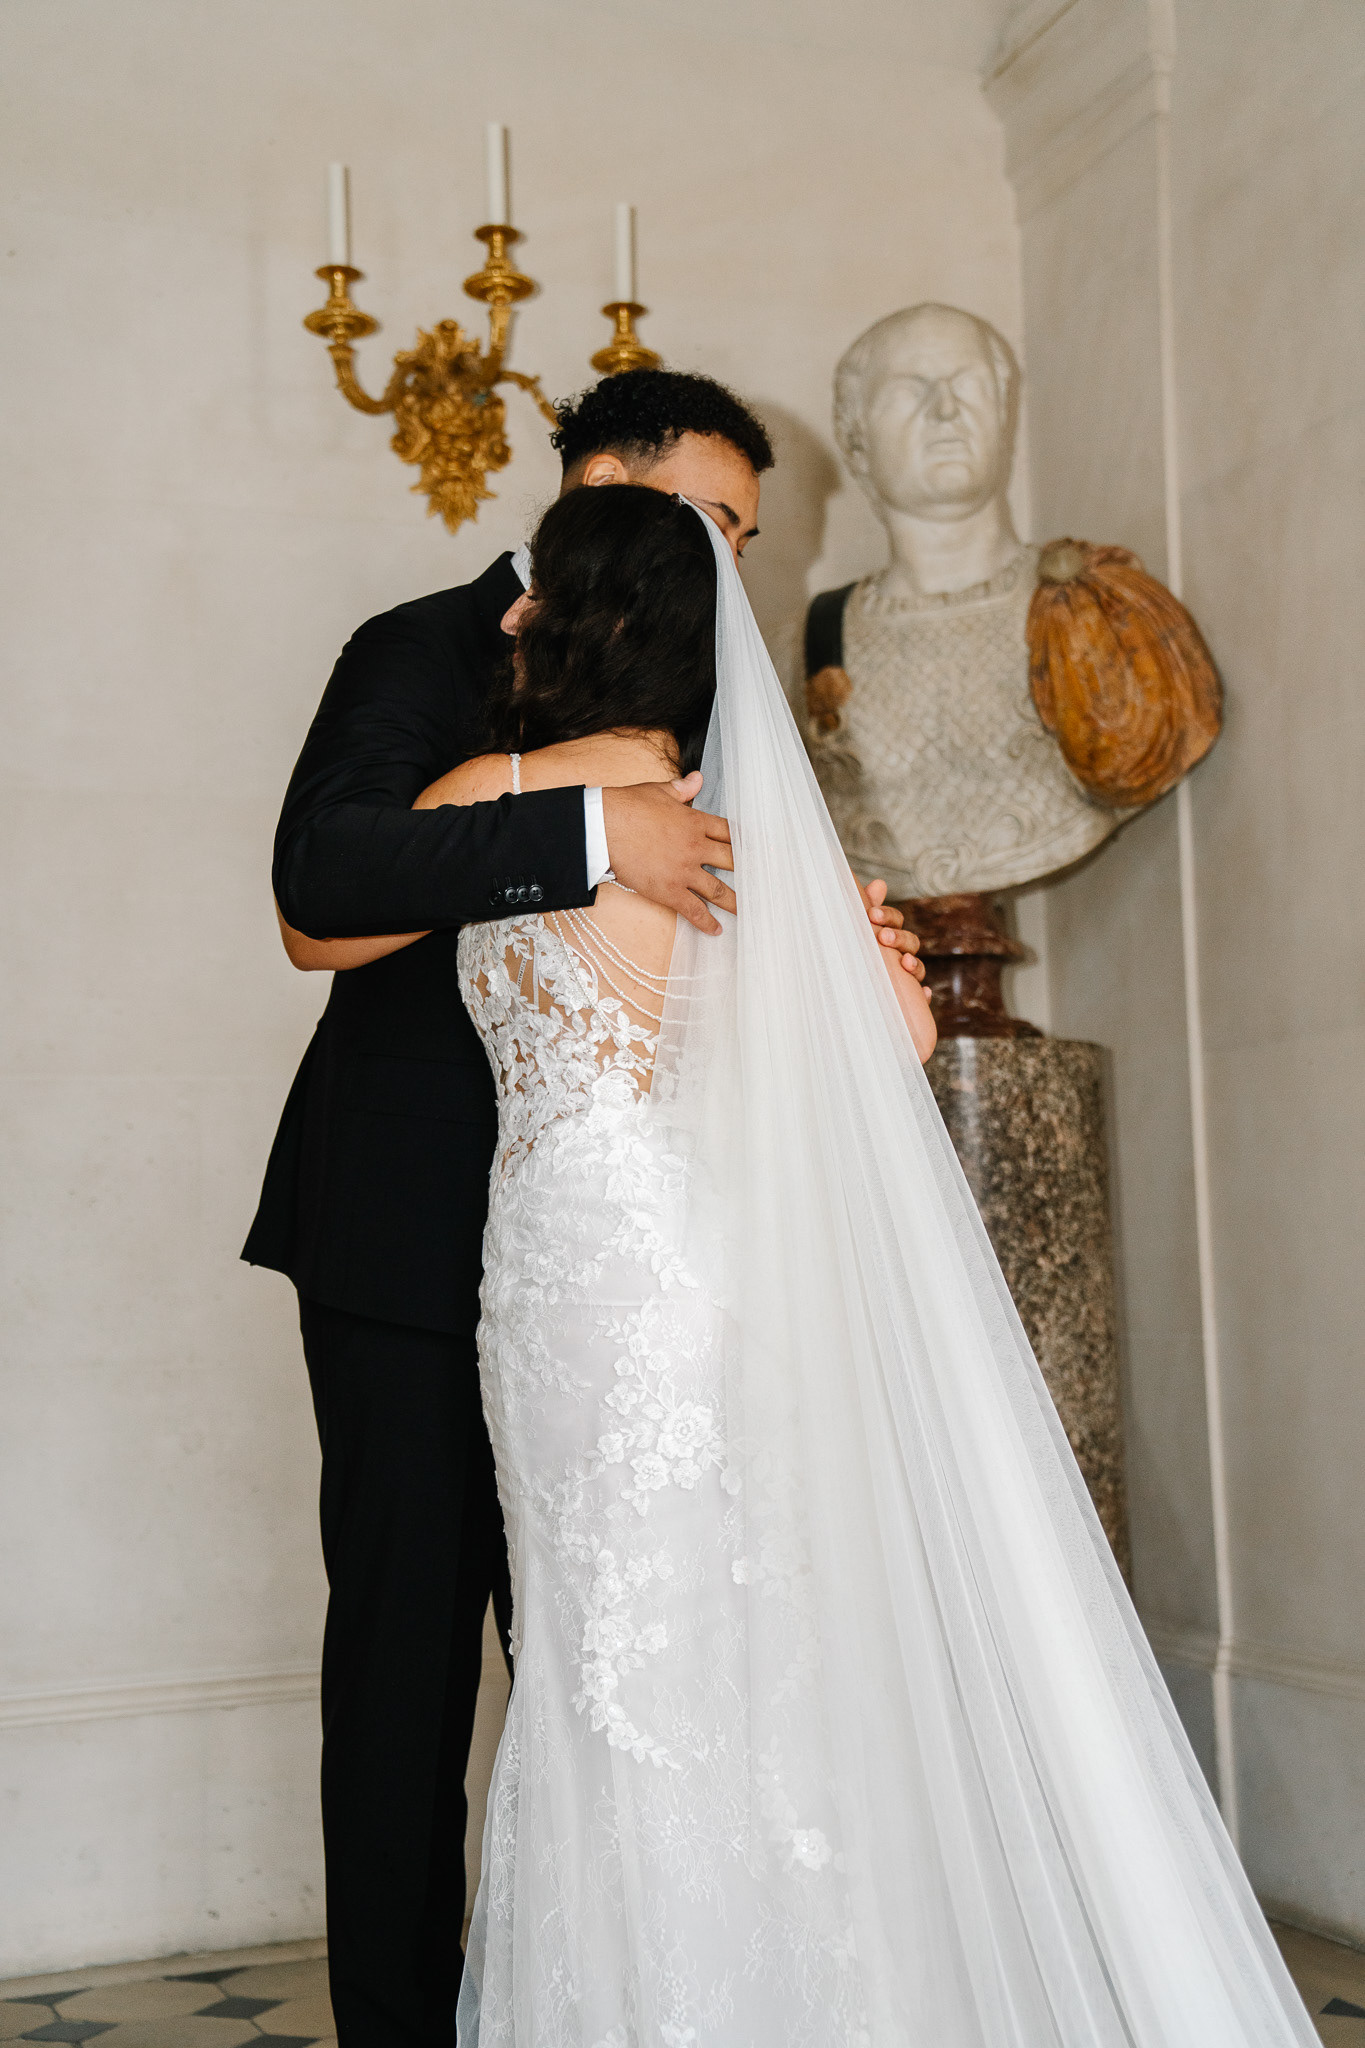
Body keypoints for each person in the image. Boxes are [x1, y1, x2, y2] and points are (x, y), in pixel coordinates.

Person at [296, 484, 1316, 2048]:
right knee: (630, 1646)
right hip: (579, 1286)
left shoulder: (522, 808)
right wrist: (860, 974)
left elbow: (420, 830)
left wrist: (593, 795)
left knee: (637, 1654)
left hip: (600, 1279)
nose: (509, 615)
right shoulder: (679, 824)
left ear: (574, 622)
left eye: (535, 597)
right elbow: (884, 1055)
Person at [243, 370, 924, 2048]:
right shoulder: (417, 647)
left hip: (639, 1258)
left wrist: (836, 970)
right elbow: (320, 890)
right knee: (408, 1668)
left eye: (746, 537)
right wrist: (582, 827)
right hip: (413, 1238)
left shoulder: (707, 703)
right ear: (605, 484)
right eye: (712, 521)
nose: (730, 566)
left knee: (640, 1655)